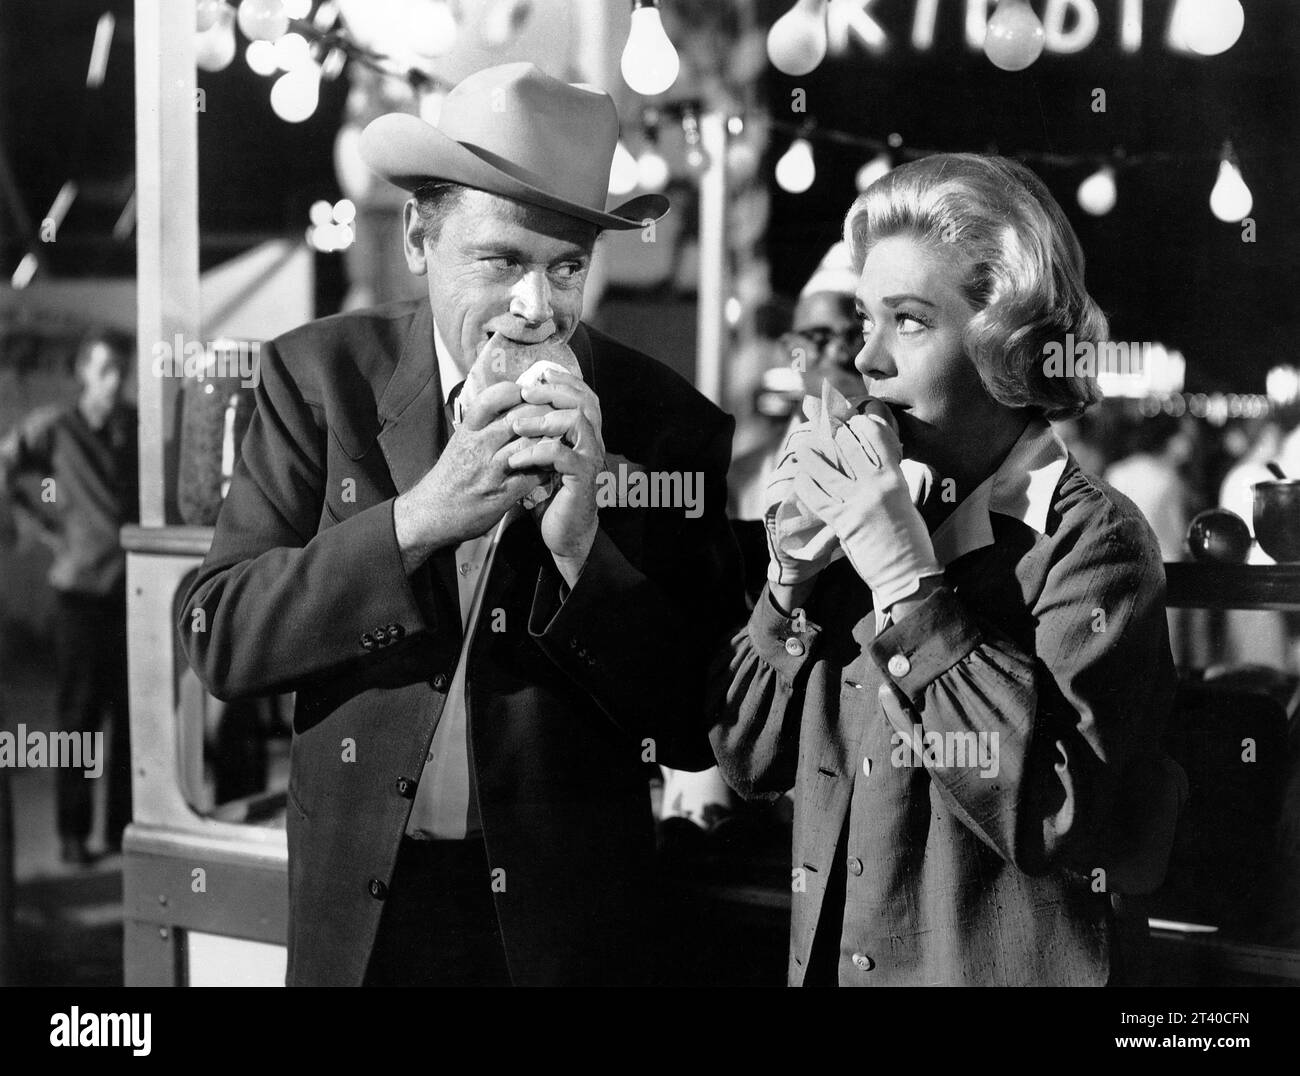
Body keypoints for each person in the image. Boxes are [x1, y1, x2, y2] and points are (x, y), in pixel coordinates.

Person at [179, 63, 745, 987]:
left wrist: (580, 551)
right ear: (417, 236)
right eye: (501, 260)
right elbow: (220, 637)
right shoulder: (319, 381)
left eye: (567, 267)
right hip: (364, 917)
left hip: (565, 936)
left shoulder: (664, 421)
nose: (538, 305)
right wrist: (420, 518)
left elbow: (695, 725)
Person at [711, 154, 1186, 986]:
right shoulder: (868, 509)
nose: (865, 361)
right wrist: (787, 578)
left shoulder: (1096, 540)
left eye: (910, 321)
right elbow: (748, 760)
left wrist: (906, 581)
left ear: (1009, 346)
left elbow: (1052, 814)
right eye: (865, 320)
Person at [0, 333, 137, 865]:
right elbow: (7, 464)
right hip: (79, 593)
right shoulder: (55, 428)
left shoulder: (132, 426)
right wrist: (34, 523)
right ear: (82, 372)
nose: (114, 382)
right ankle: (73, 834)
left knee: (129, 718)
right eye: (104, 372)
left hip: (130, 589)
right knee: (78, 718)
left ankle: (122, 828)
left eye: (119, 372)